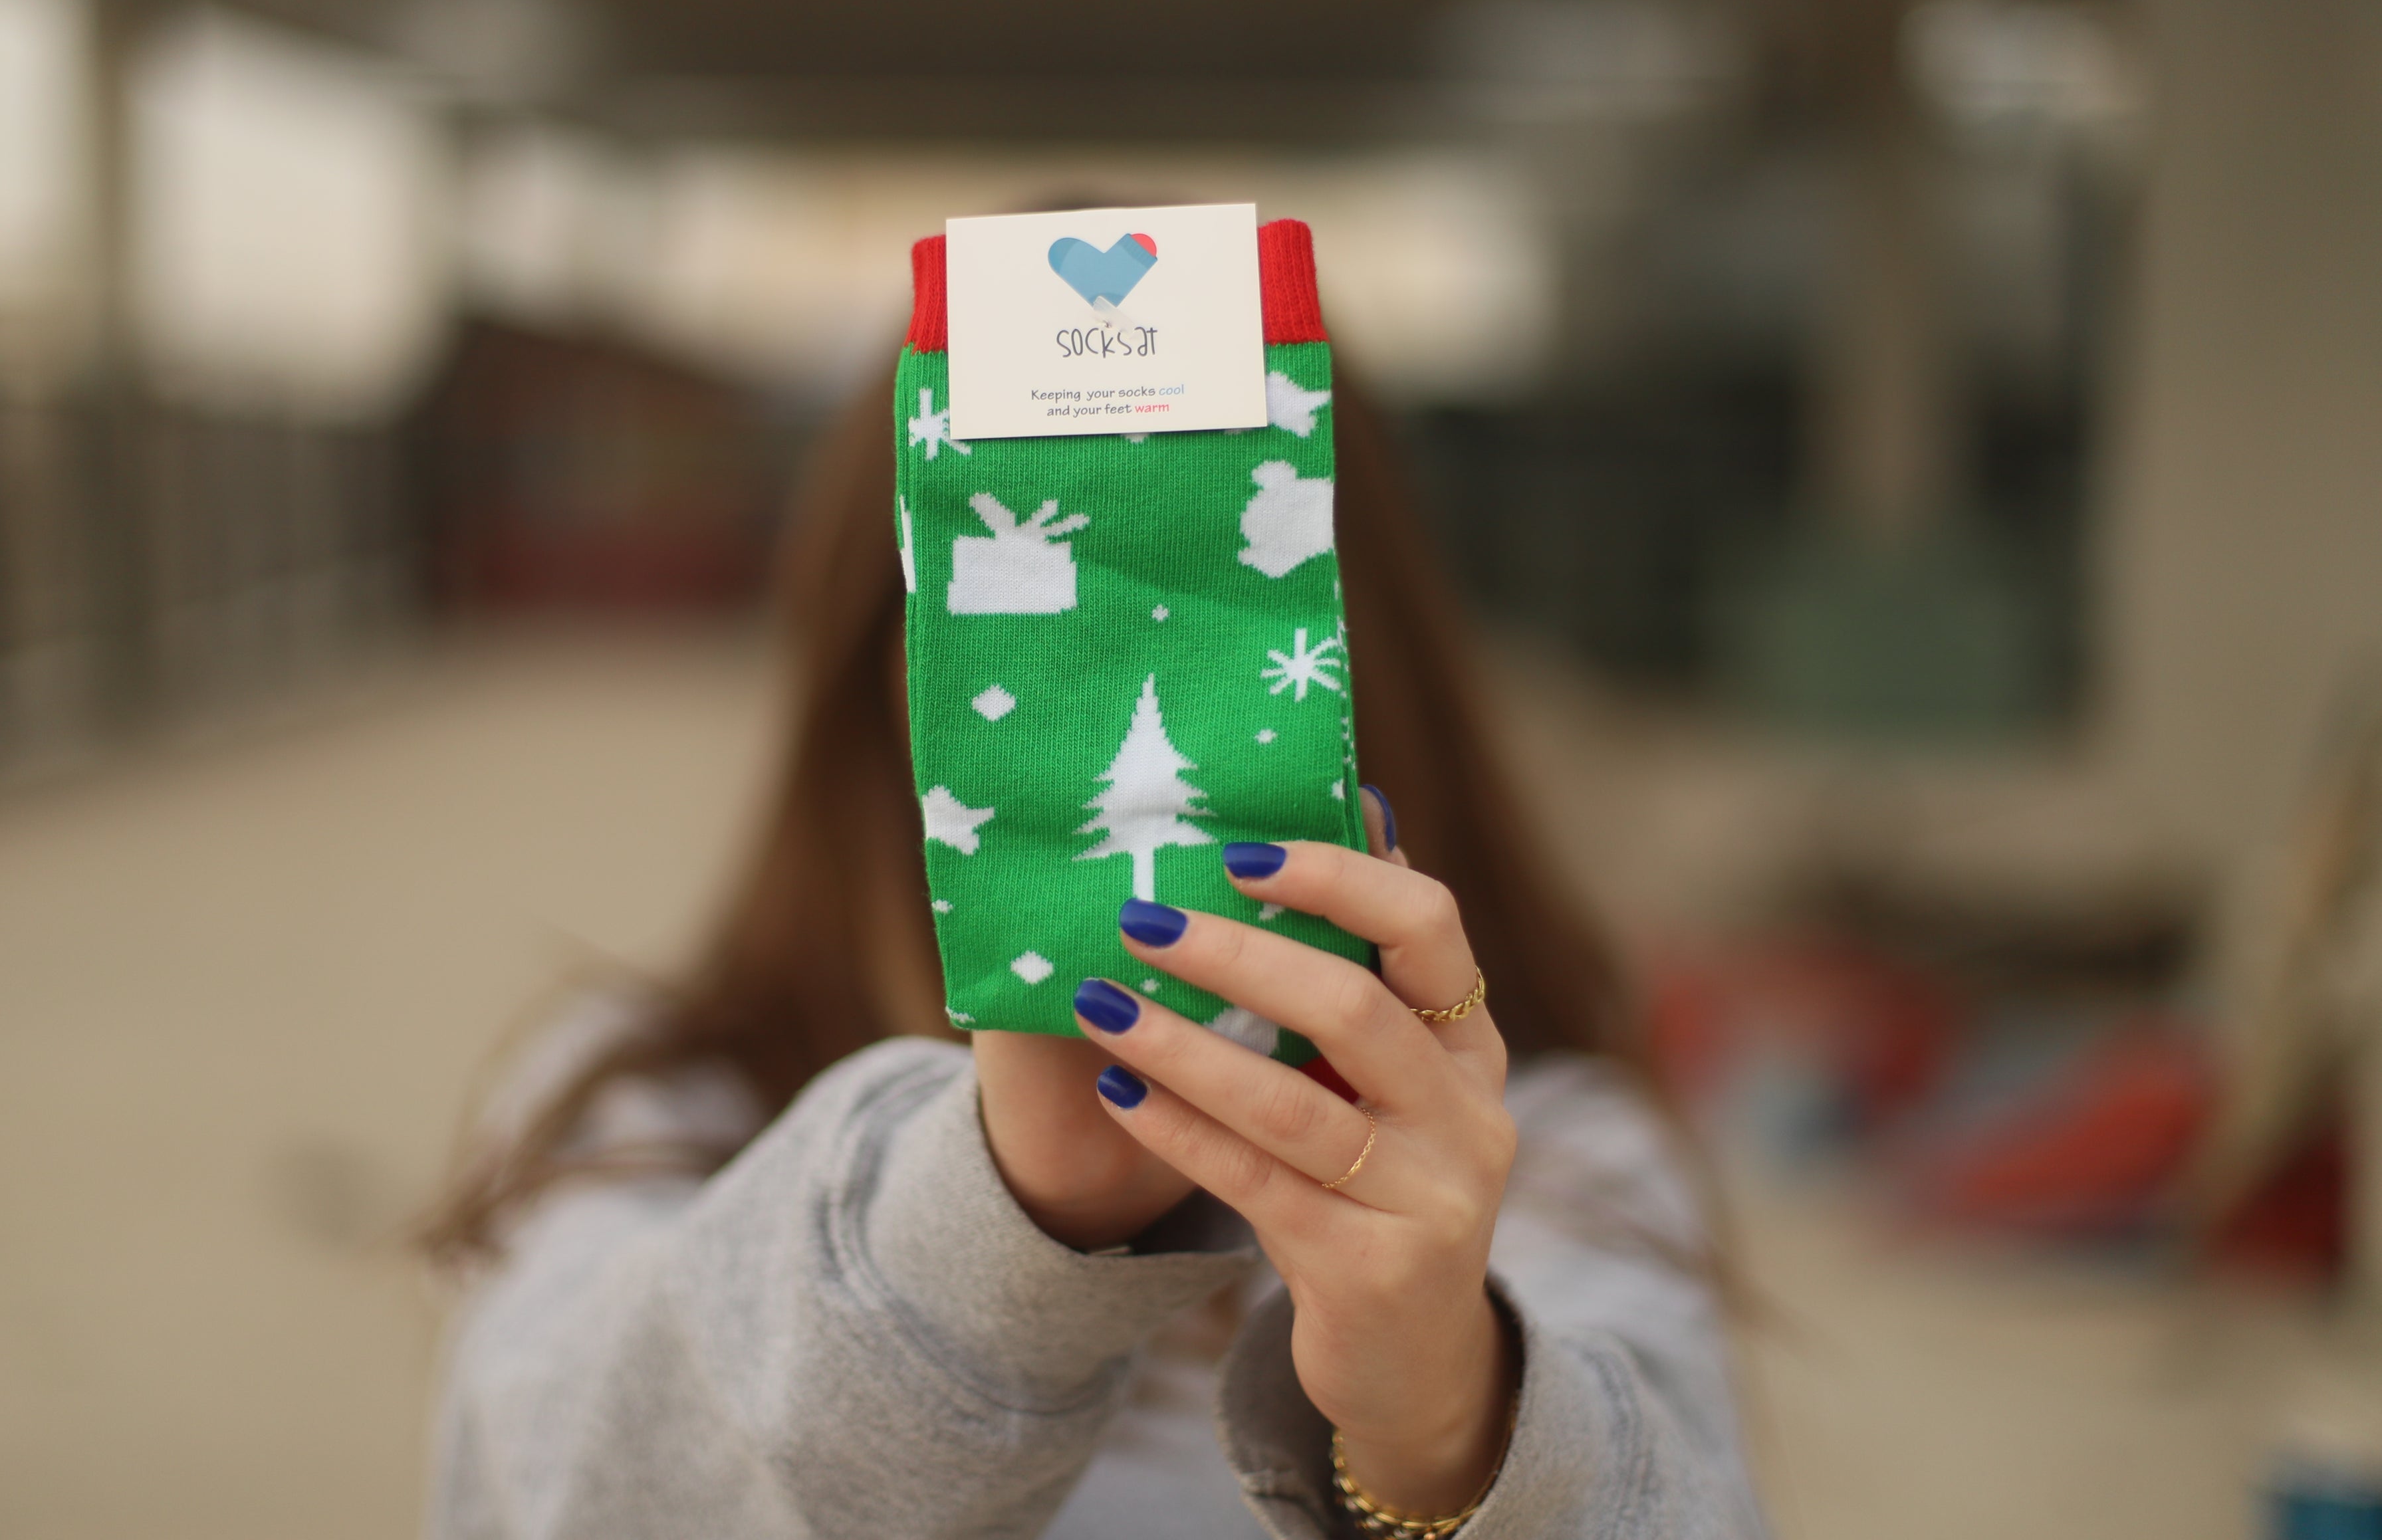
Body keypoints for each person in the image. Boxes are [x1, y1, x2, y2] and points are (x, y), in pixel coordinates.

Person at [420, 342, 1766, 1538]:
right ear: (877, 665)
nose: (1118, 681)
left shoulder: (1551, 1156)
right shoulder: (642, 1100)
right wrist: (997, 1214)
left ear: (1356, 650)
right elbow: (556, 1488)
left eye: (1198, 612)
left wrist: (1452, 1435)